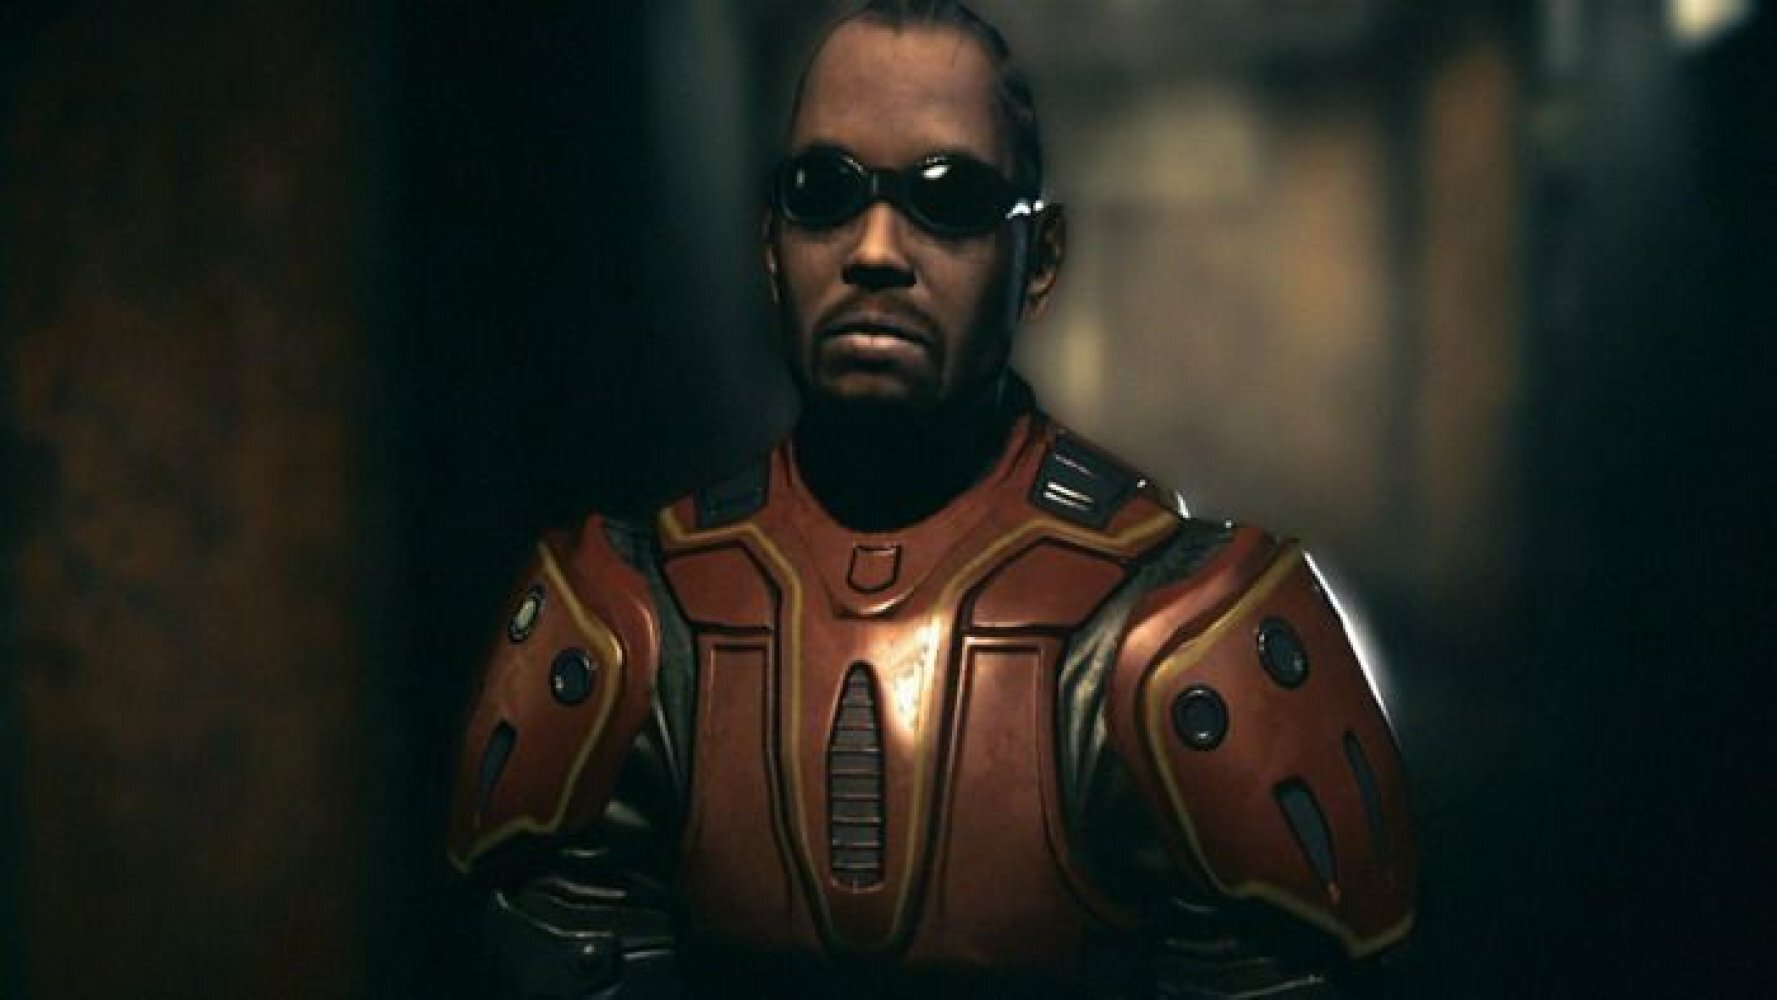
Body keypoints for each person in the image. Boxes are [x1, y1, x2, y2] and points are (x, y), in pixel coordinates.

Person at [446, 2, 1416, 996]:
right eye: (824, 191)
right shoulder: (629, 622)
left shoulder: (1186, 634)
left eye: (947, 199)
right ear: (771, 243)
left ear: (1038, 260)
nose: (874, 248)